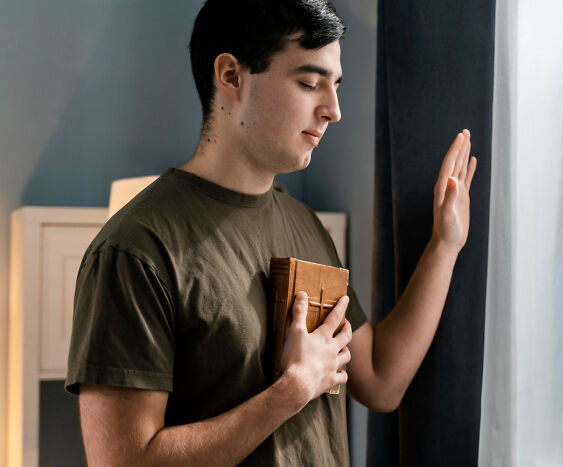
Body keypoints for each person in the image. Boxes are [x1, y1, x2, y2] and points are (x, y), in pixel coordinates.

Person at [65, 0, 477, 465]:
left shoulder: (306, 225)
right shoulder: (136, 250)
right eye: (308, 83)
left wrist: (445, 246)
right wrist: (290, 392)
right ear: (231, 76)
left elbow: (381, 381)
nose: (333, 110)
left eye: (336, 86)